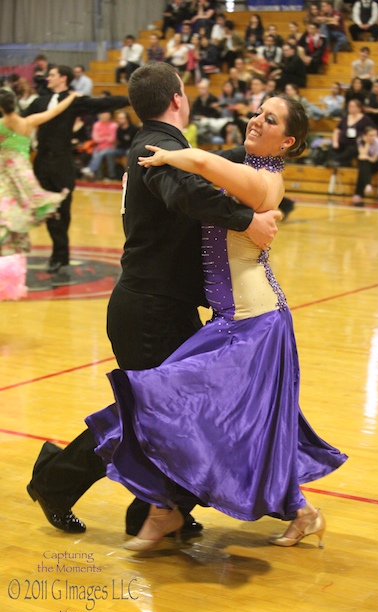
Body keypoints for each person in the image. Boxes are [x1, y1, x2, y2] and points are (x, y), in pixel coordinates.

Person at [26, 62, 283, 537]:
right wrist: (245, 219)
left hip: (160, 306)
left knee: (175, 412)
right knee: (152, 415)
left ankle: (155, 506)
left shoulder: (163, 145)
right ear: (179, 99)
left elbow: (201, 162)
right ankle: (64, 483)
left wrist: (251, 154)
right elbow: (187, 191)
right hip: (149, 310)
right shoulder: (158, 150)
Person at [85, 92, 348, 552]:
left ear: (286, 141)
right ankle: (294, 512)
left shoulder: (265, 183)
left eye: (269, 119)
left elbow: (207, 164)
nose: (255, 121)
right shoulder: (247, 169)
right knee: (230, 423)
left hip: (258, 322)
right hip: (231, 320)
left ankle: (166, 511)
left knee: (198, 410)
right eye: (256, 112)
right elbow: (211, 170)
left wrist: (168, 154)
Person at [24, 65, 129, 278]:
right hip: (42, 163)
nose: (48, 78)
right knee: (48, 210)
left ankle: (60, 253)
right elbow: (18, 120)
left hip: (62, 163)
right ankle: (58, 253)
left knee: (63, 210)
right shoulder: (39, 102)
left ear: (63, 78)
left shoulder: (74, 100)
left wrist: (133, 97)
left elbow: (102, 104)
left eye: (52, 75)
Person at [0, 89, 78, 299]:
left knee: (5, 216)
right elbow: (54, 112)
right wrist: (71, 97)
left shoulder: (1, 125)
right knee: (14, 215)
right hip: (24, 176)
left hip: (6, 176)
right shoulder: (27, 122)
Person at [327, 99, 374, 167]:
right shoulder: (345, 117)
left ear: (359, 108)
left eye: (352, 106)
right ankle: (334, 162)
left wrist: (365, 138)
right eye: (349, 106)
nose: (350, 108)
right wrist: (335, 141)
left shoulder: (365, 119)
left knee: (352, 150)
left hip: (355, 143)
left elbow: (373, 130)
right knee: (331, 147)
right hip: (342, 142)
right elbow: (337, 130)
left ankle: (335, 161)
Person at [80, 112, 118, 180]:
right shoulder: (96, 125)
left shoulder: (113, 125)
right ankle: (96, 175)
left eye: (106, 115)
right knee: (96, 153)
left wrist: (101, 136)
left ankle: (90, 169)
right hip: (98, 147)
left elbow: (112, 139)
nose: (104, 116)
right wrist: (106, 137)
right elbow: (95, 139)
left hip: (110, 147)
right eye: (102, 115)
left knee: (102, 153)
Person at [351, 126, 378, 205]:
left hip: (377, 164)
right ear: (365, 135)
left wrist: (366, 157)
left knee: (363, 165)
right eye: (370, 135)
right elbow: (362, 154)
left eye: (374, 135)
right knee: (363, 165)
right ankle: (367, 185)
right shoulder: (360, 140)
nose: (373, 137)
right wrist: (367, 143)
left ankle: (359, 193)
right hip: (366, 164)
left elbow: (374, 159)